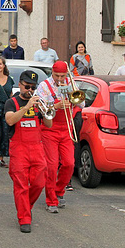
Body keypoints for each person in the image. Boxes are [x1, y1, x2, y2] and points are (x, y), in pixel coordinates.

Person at [4, 70, 51, 233]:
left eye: (33, 87)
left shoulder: (39, 102)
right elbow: (10, 120)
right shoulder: (11, 102)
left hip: (37, 148)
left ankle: (26, 207)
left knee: (39, 183)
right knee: (21, 185)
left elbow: (49, 125)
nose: (29, 89)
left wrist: (46, 111)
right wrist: (27, 107)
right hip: (19, 149)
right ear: (20, 85)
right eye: (26, 86)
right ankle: (24, 218)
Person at [35, 61, 80, 213]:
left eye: (63, 76)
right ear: (52, 73)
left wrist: (74, 101)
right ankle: (51, 200)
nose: (60, 79)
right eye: (57, 76)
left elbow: (82, 102)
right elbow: (39, 106)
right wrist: (56, 106)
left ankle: (59, 191)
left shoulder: (71, 83)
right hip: (50, 128)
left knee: (69, 163)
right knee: (52, 165)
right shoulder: (44, 86)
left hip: (66, 127)